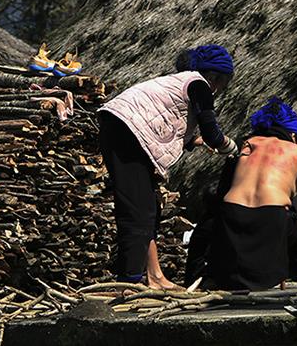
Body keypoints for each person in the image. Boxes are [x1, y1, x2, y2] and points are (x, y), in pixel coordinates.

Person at [98, 44, 238, 289]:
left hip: (123, 130)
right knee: (137, 209)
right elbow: (212, 131)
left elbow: (167, 122)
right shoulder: (199, 84)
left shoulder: (180, 83)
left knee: (149, 206)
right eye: (222, 83)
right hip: (125, 131)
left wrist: (194, 141)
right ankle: (128, 283)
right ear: (214, 76)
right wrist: (231, 148)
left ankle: (155, 276)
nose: (219, 90)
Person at [185, 96, 297, 291]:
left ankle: (200, 276)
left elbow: (223, 188)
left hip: (233, 217)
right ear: (292, 134)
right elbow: (292, 192)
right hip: (272, 218)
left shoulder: (246, 144)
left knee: (211, 215)